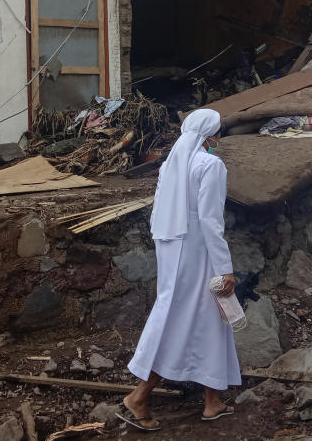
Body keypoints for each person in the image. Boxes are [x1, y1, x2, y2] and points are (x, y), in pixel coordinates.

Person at [120, 109, 239, 431]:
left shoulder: (171, 164)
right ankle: (140, 395)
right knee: (188, 317)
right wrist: (225, 267)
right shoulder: (210, 164)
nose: (219, 139)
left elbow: (159, 215)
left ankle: (212, 401)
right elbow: (211, 221)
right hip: (197, 249)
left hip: (172, 245)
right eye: (218, 132)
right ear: (210, 135)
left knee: (207, 315)